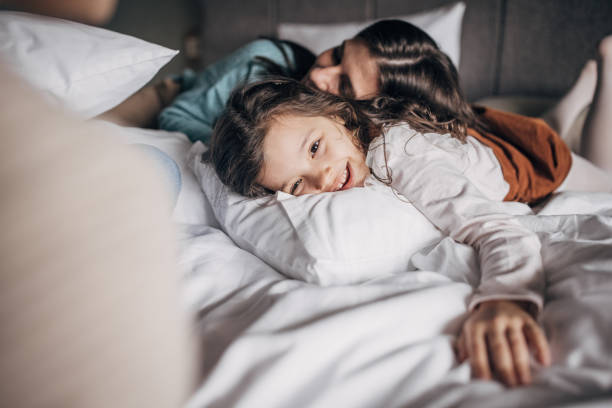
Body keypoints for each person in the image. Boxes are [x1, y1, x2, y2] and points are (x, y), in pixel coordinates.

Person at [207, 63, 611, 387]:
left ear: (336, 114)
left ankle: (597, 79)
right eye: (296, 185)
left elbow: (493, 225)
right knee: (551, 122)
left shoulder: (399, 153)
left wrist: (506, 298)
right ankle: (566, 106)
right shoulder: (353, 149)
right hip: (461, 138)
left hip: (518, 157)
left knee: (597, 171)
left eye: (315, 148)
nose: (322, 178)